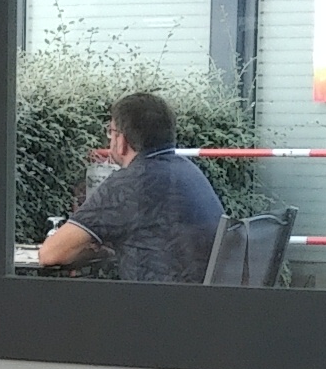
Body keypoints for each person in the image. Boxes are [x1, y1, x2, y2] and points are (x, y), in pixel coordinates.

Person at [35, 89, 223, 282]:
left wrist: (96, 252)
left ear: (122, 140)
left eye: (111, 132)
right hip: (201, 297)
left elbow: (51, 254)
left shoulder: (128, 183)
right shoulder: (189, 171)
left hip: (154, 299)